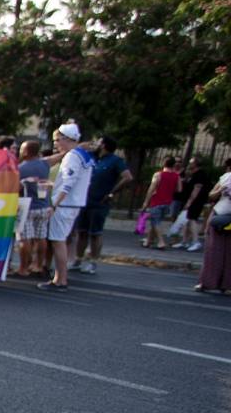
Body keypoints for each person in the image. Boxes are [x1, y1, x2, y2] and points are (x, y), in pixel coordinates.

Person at [42, 122, 93, 290]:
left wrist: (54, 204)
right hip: (72, 204)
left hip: (65, 205)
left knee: (58, 241)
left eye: (57, 140)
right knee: (59, 240)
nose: (55, 144)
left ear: (66, 139)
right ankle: (60, 278)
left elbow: (68, 184)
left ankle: (60, 279)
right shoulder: (83, 155)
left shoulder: (72, 156)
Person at [72, 135, 132, 273]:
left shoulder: (115, 161)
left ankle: (93, 262)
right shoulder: (91, 157)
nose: (95, 144)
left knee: (95, 233)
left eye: (98, 142)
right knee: (82, 232)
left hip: (100, 202)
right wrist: (86, 145)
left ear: (104, 145)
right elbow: (76, 150)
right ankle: (78, 260)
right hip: (84, 200)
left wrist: (112, 193)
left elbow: (128, 177)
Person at [15, 137, 52, 277]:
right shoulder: (44, 165)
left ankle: (23, 267)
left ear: (26, 152)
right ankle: (38, 265)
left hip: (26, 206)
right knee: (41, 237)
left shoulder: (20, 169)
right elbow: (54, 158)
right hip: (43, 206)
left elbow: (16, 187)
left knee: (24, 239)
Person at [196, 164, 231, 293]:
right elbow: (211, 195)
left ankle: (227, 285)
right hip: (220, 218)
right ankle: (206, 282)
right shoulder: (227, 177)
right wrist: (221, 189)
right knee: (213, 250)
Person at [142, 156, 181, 249]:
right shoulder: (176, 176)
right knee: (155, 221)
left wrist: (146, 202)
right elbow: (179, 189)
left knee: (156, 222)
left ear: (164, 163)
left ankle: (161, 241)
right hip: (168, 202)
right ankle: (148, 241)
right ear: (173, 165)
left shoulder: (158, 175)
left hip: (156, 201)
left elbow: (151, 189)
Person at [178, 157, 215, 251]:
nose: (189, 164)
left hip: (196, 201)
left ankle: (196, 241)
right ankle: (184, 241)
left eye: (191, 163)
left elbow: (196, 190)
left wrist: (189, 202)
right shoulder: (192, 174)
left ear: (195, 164)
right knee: (187, 219)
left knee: (192, 220)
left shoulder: (199, 175)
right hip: (192, 200)